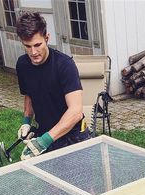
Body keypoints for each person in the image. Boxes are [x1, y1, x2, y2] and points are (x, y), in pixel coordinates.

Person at [15, 12, 90, 159]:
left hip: (73, 138)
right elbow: (28, 94)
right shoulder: (22, 65)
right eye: (28, 46)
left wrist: (45, 141)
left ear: (47, 38)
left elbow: (75, 112)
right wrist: (26, 122)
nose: (33, 52)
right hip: (45, 134)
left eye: (38, 45)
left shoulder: (64, 65)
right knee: (49, 181)